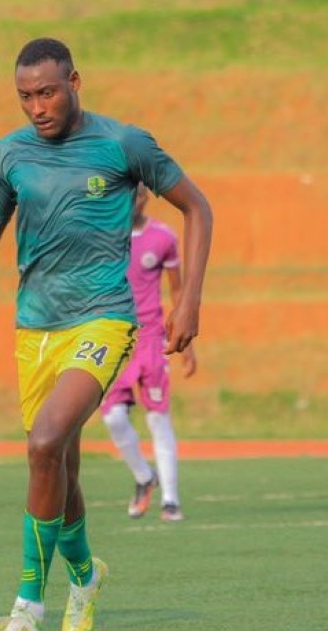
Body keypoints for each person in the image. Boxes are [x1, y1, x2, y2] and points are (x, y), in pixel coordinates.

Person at [0, 38, 213, 631]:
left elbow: (197, 207)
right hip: (34, 328)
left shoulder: (123, 144)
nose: (37, 106)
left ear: (74, 81)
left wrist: (188, 298)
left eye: (47, 92)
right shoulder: (9, 155)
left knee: (44, 442)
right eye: (25, 97)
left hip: (104, 321)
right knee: (58, 464)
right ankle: (86, 577)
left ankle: (27, 606)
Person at [99, 184, 197, 522]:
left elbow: (178, 290)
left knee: (158, 417)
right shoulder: (104, 235)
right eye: (127, 194)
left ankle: (170, 499)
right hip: (114, 340)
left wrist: (186, 343)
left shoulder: (163, 237)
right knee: (112, 417)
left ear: (146, 197)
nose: (133, 200)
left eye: (139, 194)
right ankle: (144, 477)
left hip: (152, 340)